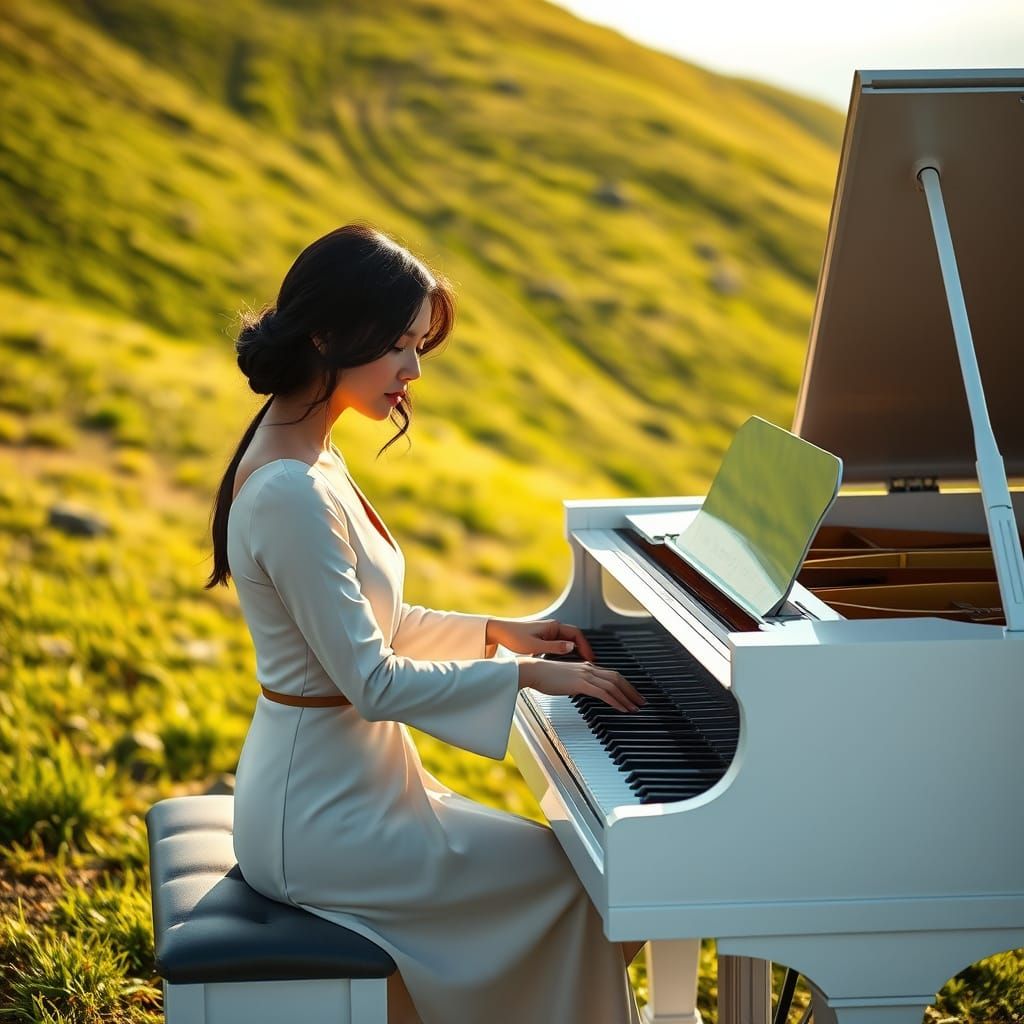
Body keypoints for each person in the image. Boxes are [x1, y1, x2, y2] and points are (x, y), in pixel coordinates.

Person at [205, 224, 647, 1024]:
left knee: (576, 876)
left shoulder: (314, 457)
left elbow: (376, 623)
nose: (413, 371)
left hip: (358, 789)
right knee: (576, 886)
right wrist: (525, 677)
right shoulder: (288, 491)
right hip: (323, 820)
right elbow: (370, 682)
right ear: (329, 335)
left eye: (418, 347)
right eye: (400, 347)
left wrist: (495, 631)